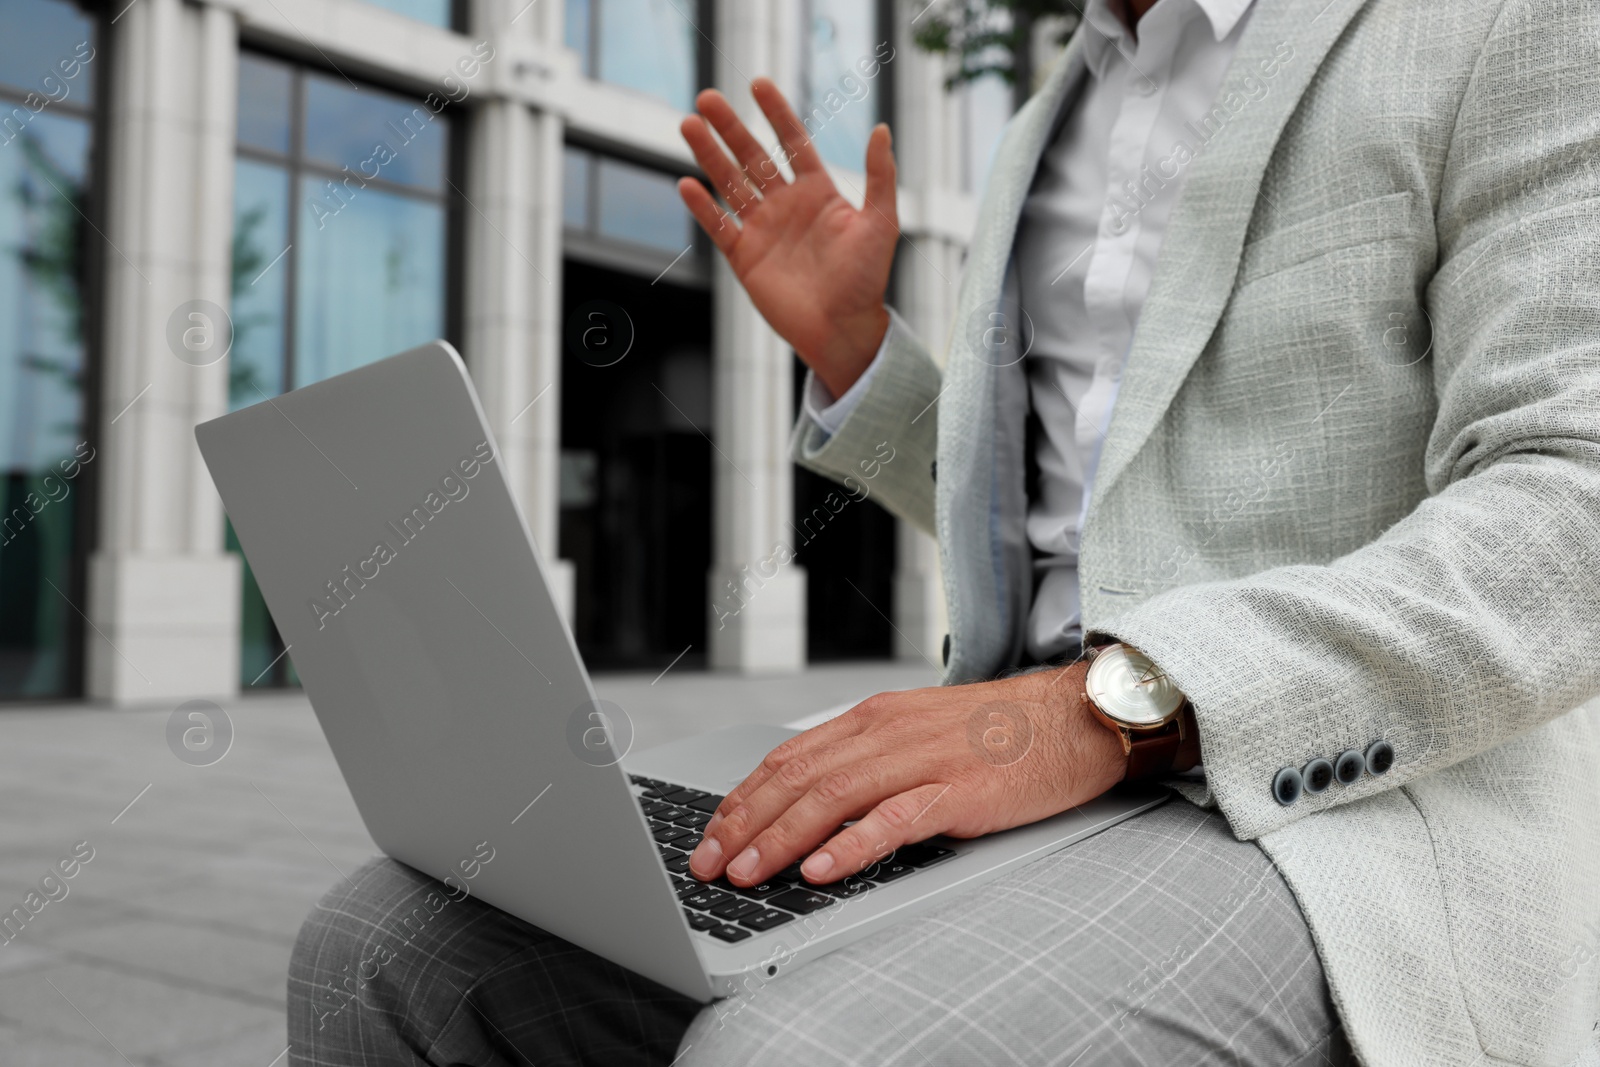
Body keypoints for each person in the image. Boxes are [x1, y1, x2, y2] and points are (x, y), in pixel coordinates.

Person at [288, 0, 1600, 1063]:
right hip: (1019, 763)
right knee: (385, 950)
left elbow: (1568, 513)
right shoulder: (1046, 119)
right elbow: (1095, 516)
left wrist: (1099, 711)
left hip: (1335, 815)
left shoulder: (1503, 26)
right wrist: (854, 350)